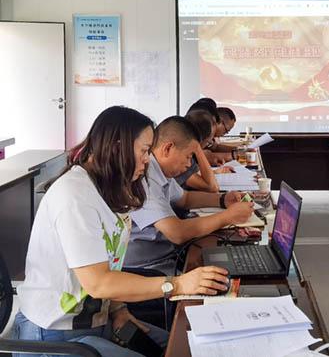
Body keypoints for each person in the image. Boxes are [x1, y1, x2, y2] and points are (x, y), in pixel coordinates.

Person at [12, 106, 230, 357]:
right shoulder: (75, 195)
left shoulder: (110, 188)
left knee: (186, 347)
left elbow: (108, 262)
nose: (148, 159)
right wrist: (178, 284)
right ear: (118, 148)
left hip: (96, 321)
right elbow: (99, 283)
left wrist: (118, 309)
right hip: (54, 335)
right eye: (144, 150)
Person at [124, 116, 254, 275]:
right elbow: (177, 233)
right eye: (188, 156)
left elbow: (185, 198)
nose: (188, 164)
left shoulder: (161, 172)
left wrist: (222, 200)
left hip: (166, 256)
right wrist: (228, 217)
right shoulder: (145, 177)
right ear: (167, 149)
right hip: (146, 269)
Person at [174, 110, 222, 192]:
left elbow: (196, 174)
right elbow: (212, 187)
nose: (207, 145)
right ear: (200, 139)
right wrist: (197, 147)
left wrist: (215, 172)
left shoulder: (187, 155)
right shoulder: (180, 158)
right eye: (208, 142)